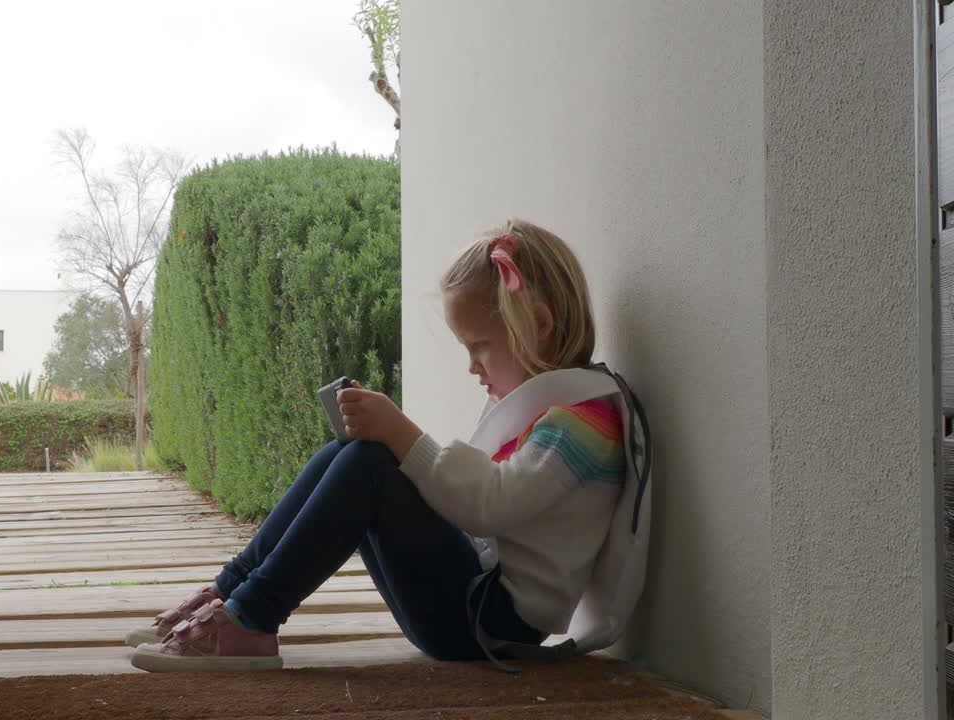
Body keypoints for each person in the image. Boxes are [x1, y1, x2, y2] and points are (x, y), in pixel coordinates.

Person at [127, 219, 639, 672]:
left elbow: (488, 506)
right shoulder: (554, 409)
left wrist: (401, 434)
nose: (472, 366)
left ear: (541, 327)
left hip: (488, 624)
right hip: (473, 605)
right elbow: (485, 503)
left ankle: (251, 617)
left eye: (479, 346)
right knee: (349, 454)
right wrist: (397, 443)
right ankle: (232, 593)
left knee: (370, 462)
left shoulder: (581, 425)